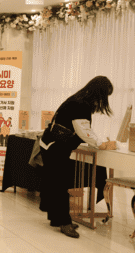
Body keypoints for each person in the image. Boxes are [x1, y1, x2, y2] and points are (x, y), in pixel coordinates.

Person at [38, 76, 117, 238]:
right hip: (55, 146)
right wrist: (102, 145)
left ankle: (56, 219)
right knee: (60, 185)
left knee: (55, 183)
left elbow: (82, 129)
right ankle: (64, 223)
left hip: (50, 144)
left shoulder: (78, 99)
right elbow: (84, 131)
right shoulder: (81, 104)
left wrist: (98, 142)